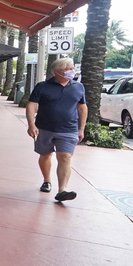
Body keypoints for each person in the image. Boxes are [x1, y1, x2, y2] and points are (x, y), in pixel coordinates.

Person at [25, 57, 87, 202]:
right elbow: (31, 105)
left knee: (65, 157)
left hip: (69, 129)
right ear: (57, 71)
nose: (72, 71)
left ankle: (62, 190)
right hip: (44, 128)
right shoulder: (42, 87)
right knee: (45, 155)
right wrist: (31, 124)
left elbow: (82, 108)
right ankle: (47, 180)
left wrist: (81, 128)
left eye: (72, 68)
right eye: (68, 69)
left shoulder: (78, 87)